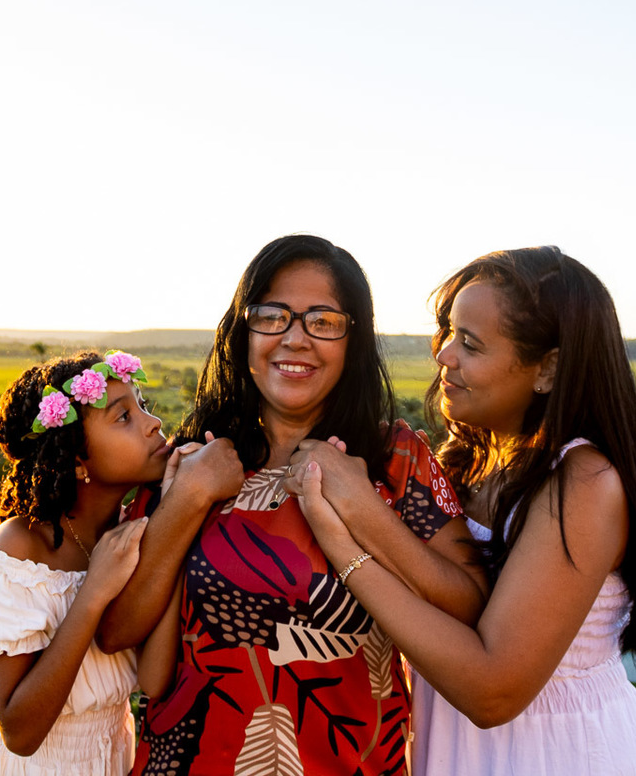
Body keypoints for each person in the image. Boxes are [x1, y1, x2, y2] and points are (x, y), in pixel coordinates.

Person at [99, 234, 487, 775]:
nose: (296, 339)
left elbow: (470, 605)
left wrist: (363, 509)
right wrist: (188, 499)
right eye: (272, 316)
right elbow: (117, 631)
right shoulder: (186, 462)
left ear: (353, 340)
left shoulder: (395, 459)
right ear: (242, 330)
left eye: (322, 321)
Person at [295, 246, 636, 775]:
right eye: (451, 333)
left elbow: (493, 691)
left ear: (548, 368)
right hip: (460, 748)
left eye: (472, 344)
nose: (445, 357)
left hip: (551, 755)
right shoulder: (472, 465)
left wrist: (350, 534)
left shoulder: (582, 482)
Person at [0, 350, 218, 775]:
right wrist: (94, 592)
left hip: (110, 762)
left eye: (143, 406)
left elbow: (153, 680)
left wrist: (176, 522)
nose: (154, 424)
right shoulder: (20, 548)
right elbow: (20, 734)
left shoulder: (134, 531)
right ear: (77, 461)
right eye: (123, 418)